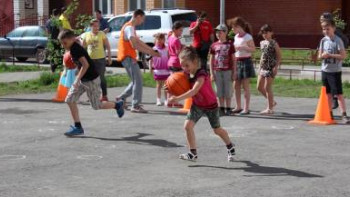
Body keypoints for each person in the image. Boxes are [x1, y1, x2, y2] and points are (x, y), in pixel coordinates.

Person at [168, 46, 236, 162]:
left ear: (194, 62)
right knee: (187, 126)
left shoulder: (202, 74)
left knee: (217, 130)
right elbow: (177, 83)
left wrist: (177, 99)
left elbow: (194, 91)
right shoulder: (186, 75)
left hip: (211, 106)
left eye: (187, 65)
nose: (184, 68)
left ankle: (230, 146)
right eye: (182, 66)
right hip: (198, 105)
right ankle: (192, 153)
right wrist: (169, 86)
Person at [58, 29, 125, 136]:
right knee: (70, 100)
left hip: (91, 80)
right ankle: (78, 126)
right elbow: (81, 63)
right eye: (62, 43)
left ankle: (117, 105)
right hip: (83, 79)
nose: (63, 46)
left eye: (65, 43)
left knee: (96, 106)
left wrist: (76, 79)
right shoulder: (73, 45)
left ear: (71, 40)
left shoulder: (75, 49)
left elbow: (86, 65)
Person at [116, 9, 160, 113]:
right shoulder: (129, 28)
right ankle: (135, 105)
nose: (143, 21)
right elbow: (135, 45)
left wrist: (151, 50)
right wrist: (152, 53)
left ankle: (121, 99)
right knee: (138, 81)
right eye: (143, 19)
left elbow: (138, 41)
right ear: (138, 16)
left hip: (128, 58)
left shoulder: (130, 27)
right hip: (128, 58)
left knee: (136, 81)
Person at [318, 20, 349, 124]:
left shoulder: (338, 40)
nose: (325, 31)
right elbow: (319, 56)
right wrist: (322, 56)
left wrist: (330, 55)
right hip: (325, 70)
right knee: (328, 94)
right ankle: (329, 113)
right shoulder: (323, 40)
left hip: (335, 71)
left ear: (333, 29)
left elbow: (343, 56)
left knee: (338, 94)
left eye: (328, 29)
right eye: (323, 29)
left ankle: (344, 115)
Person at [230, 17, 256, 115]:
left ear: (238, 26)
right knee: (236, 85)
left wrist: (244, 47)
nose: (232, 29)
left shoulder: (248, 37)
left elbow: (253, 49)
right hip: (237, 61)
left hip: (246, 61)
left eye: (233, 27)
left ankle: (246, 108)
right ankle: (238, 106)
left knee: (245, 86)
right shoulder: (236, 36)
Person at [82, 19, 112, 102]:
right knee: (90, 79)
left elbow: (108, 46)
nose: (96, 28)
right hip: (90, 60)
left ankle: (104, 96)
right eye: (94, 26)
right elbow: (83, 48)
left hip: (100, 59)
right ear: (91, 26)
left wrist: (109, 57)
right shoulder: (86, 35)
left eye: (98, 26)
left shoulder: (101, 34)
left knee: (101, 78)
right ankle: (92, 96)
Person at [209, 24, 236, 116]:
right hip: (217, 71)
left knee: (228, 90)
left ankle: (228, 108)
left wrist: (234, 72)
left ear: (225, 32)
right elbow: (211, 59)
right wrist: (212, 73)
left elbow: (233, 59)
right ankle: (221, 108)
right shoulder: (214, 45)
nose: (218, 34)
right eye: (216, 32)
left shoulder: (230, 45)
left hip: (227, 71)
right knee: (219, 91)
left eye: (220, 32)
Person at [256, 24, 281, 115]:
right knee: (259, 87)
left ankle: (269, 108)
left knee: (267, 87)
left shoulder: (274, 43)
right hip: (263, 67)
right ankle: (272, 102)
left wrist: (276, 67)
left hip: (271, 67)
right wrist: (259, 67)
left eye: (266, 33)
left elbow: (279, 55)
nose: (264, 35)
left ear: (271, 33)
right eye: (263, 33)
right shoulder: (262, 43)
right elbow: (262, 55)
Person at [149, 33, 170, 106]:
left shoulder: (166, 48)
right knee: (158, 85)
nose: (160, 41)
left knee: (166, 86)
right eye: (158, 39)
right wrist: (150, 68)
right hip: (157, 70)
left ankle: (166, 100)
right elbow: (151, 60)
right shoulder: (154, 49)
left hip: (166, 70)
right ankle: (158, 99)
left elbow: (169, 57)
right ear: (155, 40)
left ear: (164, 40)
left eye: (162, 39)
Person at [167, 21, 184, 108]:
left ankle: (169, 101)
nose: (181, 32)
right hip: (176, 62)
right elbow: (178, 53)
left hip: (170, 61)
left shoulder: (170, 37)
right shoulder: (177, 40)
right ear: (175, 30)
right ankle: (175, 101)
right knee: (177, 83)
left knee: (171, 83)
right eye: (180, 30)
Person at [45, 9, 61, 73]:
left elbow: (47, 32)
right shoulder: (58, 21)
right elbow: (60, 31)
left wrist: (48, 39)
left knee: (52, 55)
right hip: (57, 41)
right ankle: (58, 70)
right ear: (58, 14)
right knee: (58, 55)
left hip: (50, 41)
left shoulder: (48, 21)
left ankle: (52, 70)